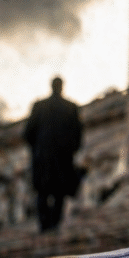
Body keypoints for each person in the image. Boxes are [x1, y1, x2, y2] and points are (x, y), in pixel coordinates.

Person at [23, 76, 83, 232]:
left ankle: (44, 225)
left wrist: (36, 149)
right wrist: (71, 149)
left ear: (51, 86)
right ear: (62, 87)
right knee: (59, 192)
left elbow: (28, 132)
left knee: (42, 191)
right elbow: (78, 134)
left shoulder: (39, 106)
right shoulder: (71, 107)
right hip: (63, 156)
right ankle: (54, 224)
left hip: (42, 156)